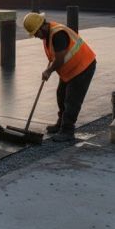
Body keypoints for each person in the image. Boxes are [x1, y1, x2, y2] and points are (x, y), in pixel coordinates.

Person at [22, 12, 96, 142]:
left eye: (35, 33)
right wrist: (50, 67)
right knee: (61, 94)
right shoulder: (48, 34)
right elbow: (55, 55)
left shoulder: (57, 34)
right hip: (71, 69)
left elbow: (60, 59)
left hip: (83, 67)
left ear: (41, 27)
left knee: (72, 100)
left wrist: (48, 71)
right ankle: (61, 123)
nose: (35, 36)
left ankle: (67, 130)